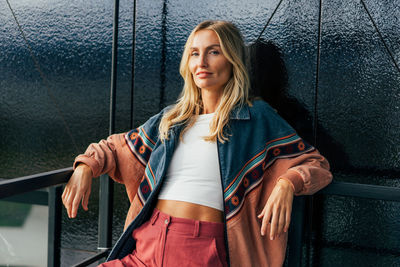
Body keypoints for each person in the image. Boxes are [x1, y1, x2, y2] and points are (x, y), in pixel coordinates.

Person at [62, 20, 333, 267]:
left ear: (232, 60)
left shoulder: (255, 118)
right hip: (146, 244)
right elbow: (114, 147)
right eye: (194, 53)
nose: (201, 62)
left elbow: (316, 165)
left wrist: (288, 184)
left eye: (213, 52)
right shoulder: (172, 120)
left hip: (201, 251)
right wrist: (85, 168)